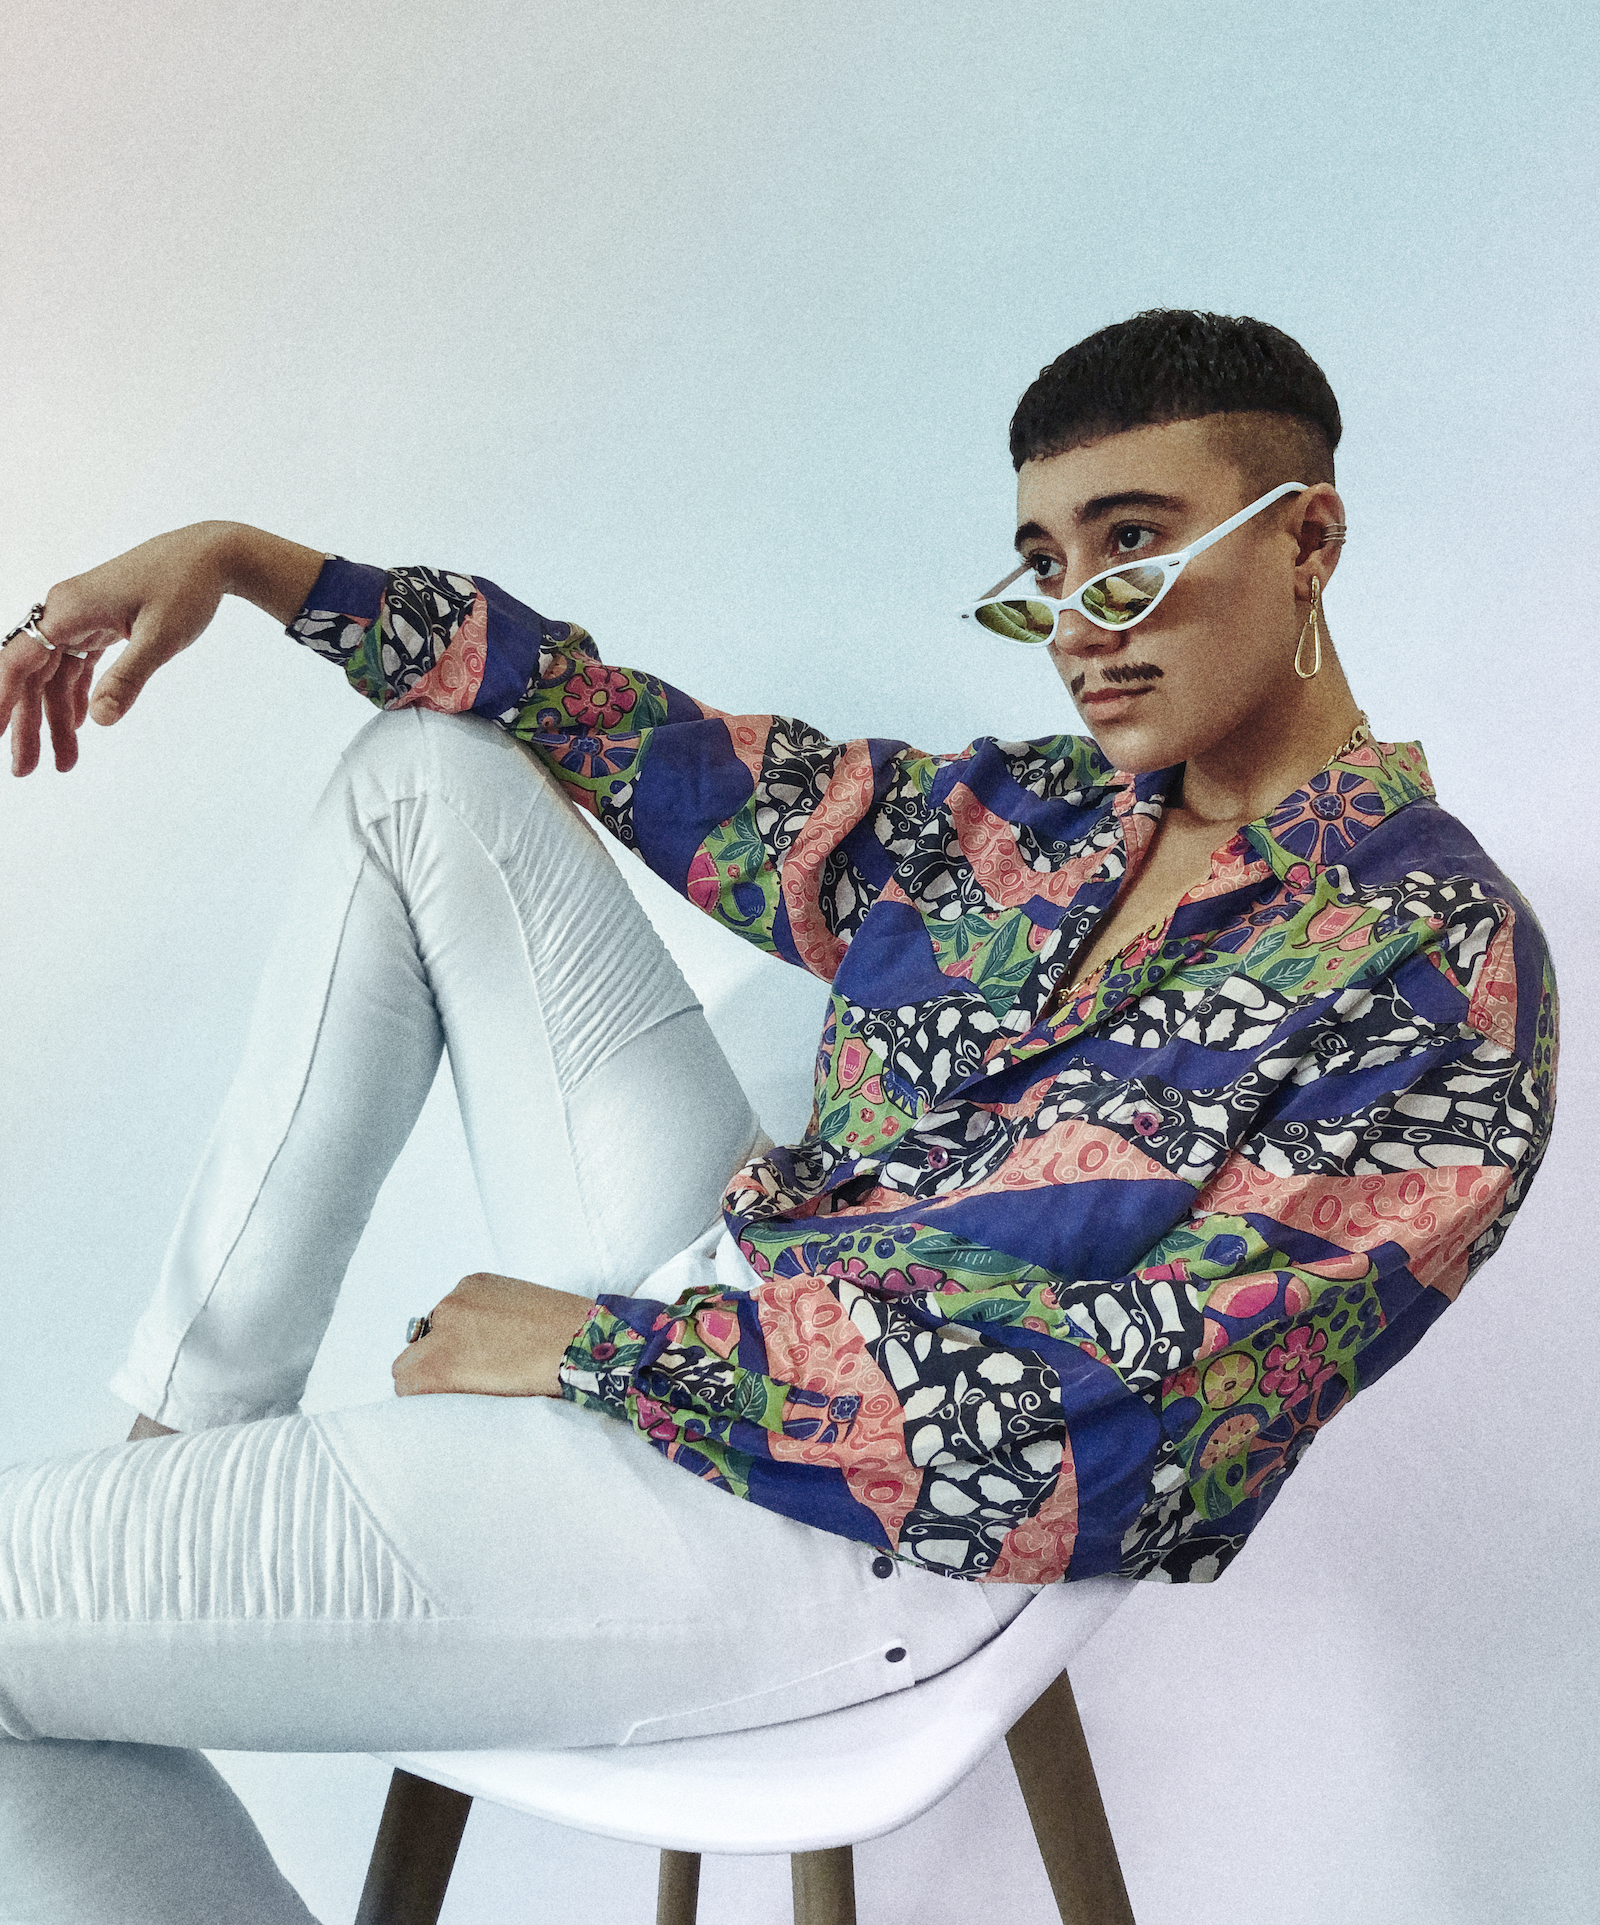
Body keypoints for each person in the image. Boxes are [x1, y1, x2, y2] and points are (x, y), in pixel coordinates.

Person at [0, 311, 1557, 1920]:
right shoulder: (1036, 818)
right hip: (734, 1292)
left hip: (852, 1526)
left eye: (1132, 550)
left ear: (1308, 541)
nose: (1080, 629)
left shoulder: (1435, 966)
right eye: (1045, 569)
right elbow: (647, 746)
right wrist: (254, 563)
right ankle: (170, 1475)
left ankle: (139, 1575)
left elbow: (1127, 1434)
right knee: (425, 777)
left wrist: (603, 1351)